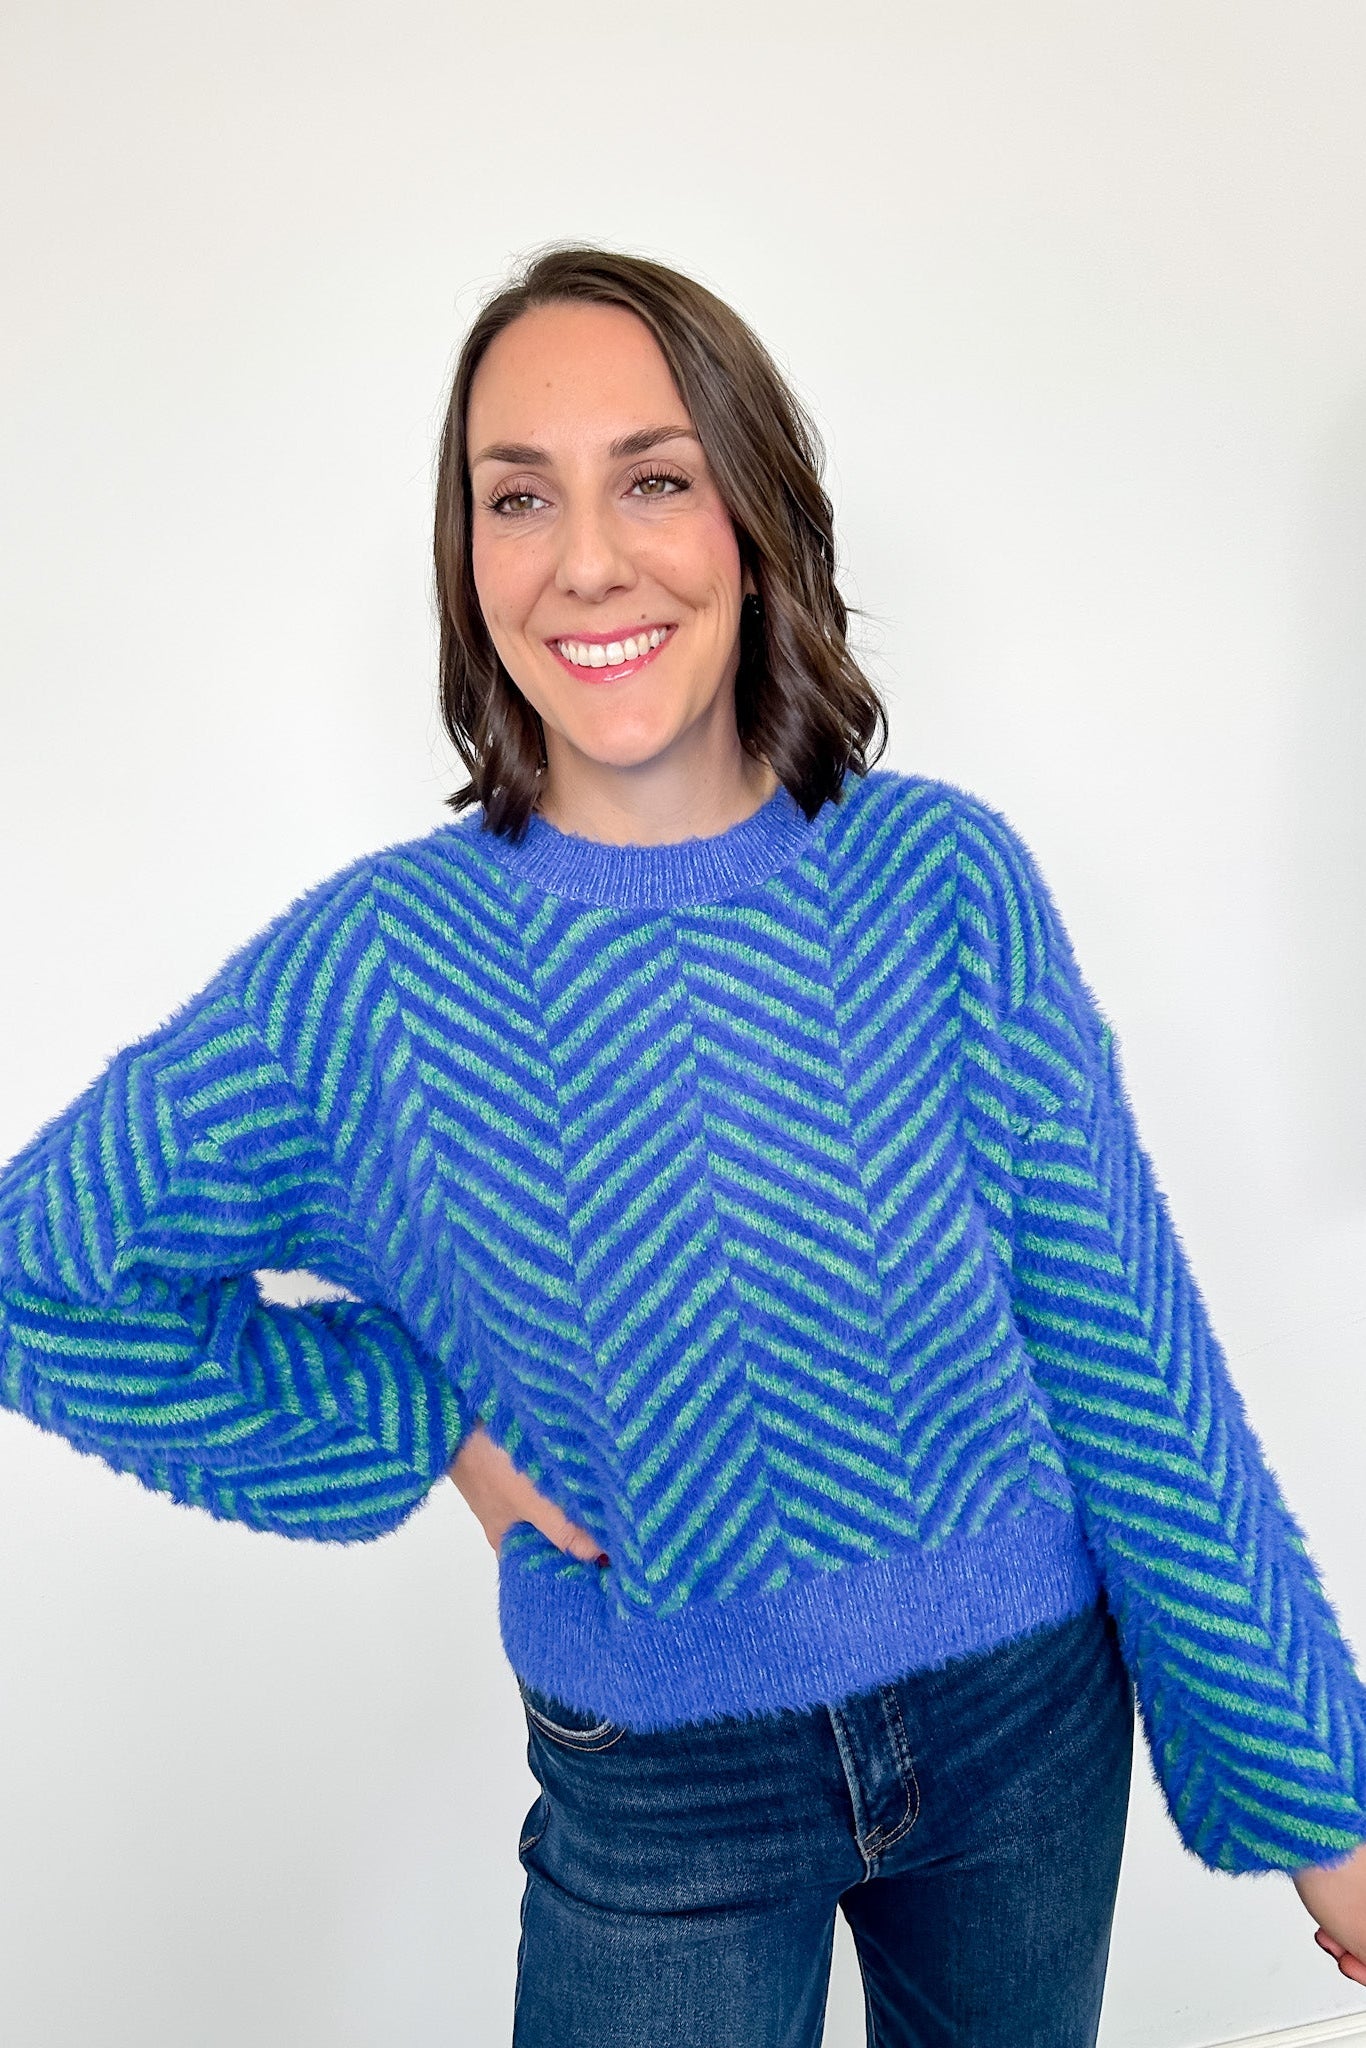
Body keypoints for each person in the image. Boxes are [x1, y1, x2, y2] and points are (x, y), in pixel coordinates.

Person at [2, 243, 1364, 2047]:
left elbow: (1133, 1373)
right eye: (517, 496)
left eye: (653, 478)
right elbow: (42, 1266)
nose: (585, 559)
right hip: (658, 1778)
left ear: (750, 520)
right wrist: (428, 1426)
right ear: (463, 554)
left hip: (1028, 1722)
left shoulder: (941, 882)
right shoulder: (371, 978)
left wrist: (1321, 1802)